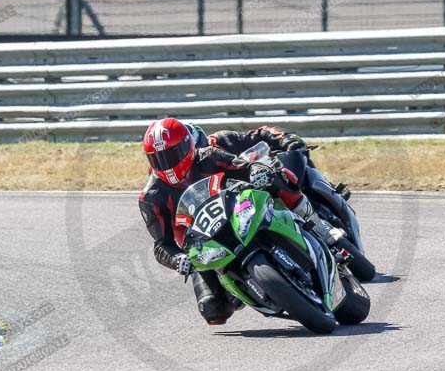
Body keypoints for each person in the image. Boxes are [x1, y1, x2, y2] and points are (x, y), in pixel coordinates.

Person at [138, 117, 344, 325]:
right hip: (200, 243)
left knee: (275, 178)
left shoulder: (208, 155)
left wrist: (257, 171)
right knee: (213, 311)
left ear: (186, 146)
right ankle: (241, 287)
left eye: (170, 155)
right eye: (158, 159)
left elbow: (242, 166)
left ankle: (318, 226)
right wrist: (177, 259)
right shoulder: (151, 196)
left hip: (236, 209)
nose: (167, 165)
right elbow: (162, 245)